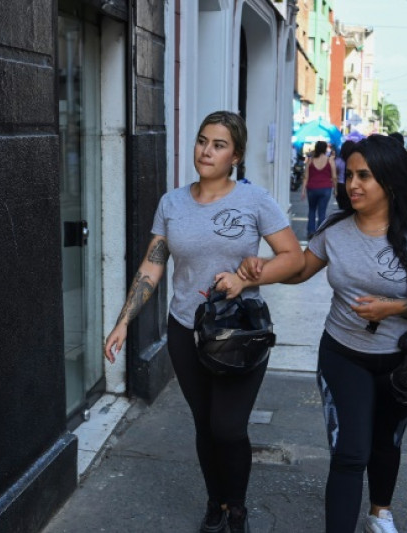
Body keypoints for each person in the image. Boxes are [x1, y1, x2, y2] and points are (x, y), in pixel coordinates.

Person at [236, 134, 407, 533]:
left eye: (364, 176)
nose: (352, 184)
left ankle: (380, 514)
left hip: (401, 360)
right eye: (349, 174)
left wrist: (393, 308)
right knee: (350, 453)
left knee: (386, 443)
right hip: (343, 353)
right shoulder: (336, 229)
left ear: (389, 181)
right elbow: (300, 270)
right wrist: (258, 271)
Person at [103, 111, 304, 533]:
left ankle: (238, 507)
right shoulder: (172, 203)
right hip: (186, 330)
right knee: (204, 424)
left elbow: (294, 258)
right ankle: (216, 502)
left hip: (240, 333)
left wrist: (249, 275)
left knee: (228, 427)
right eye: (201, 141)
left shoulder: (254, 200)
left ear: (236, 155)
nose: (206, 151)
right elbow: (151, 268)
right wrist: (124, 321)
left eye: (218, 145)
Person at [301, 140, 337, 239]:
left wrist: (303, 190)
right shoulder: (330, 160)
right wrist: (336, 189)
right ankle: (320, 233)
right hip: (325, 189)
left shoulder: (310, 160)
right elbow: (334, 176)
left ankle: (311, 231)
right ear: (325, 149)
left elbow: (306, 176)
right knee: (322, 212)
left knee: (312, 210)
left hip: (312, 189)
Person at [336, 140, 355, 211]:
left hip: (340, 185)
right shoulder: (355, 161)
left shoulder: (339, 161)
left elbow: (335, 174)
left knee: (342, 207)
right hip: (352, 185)